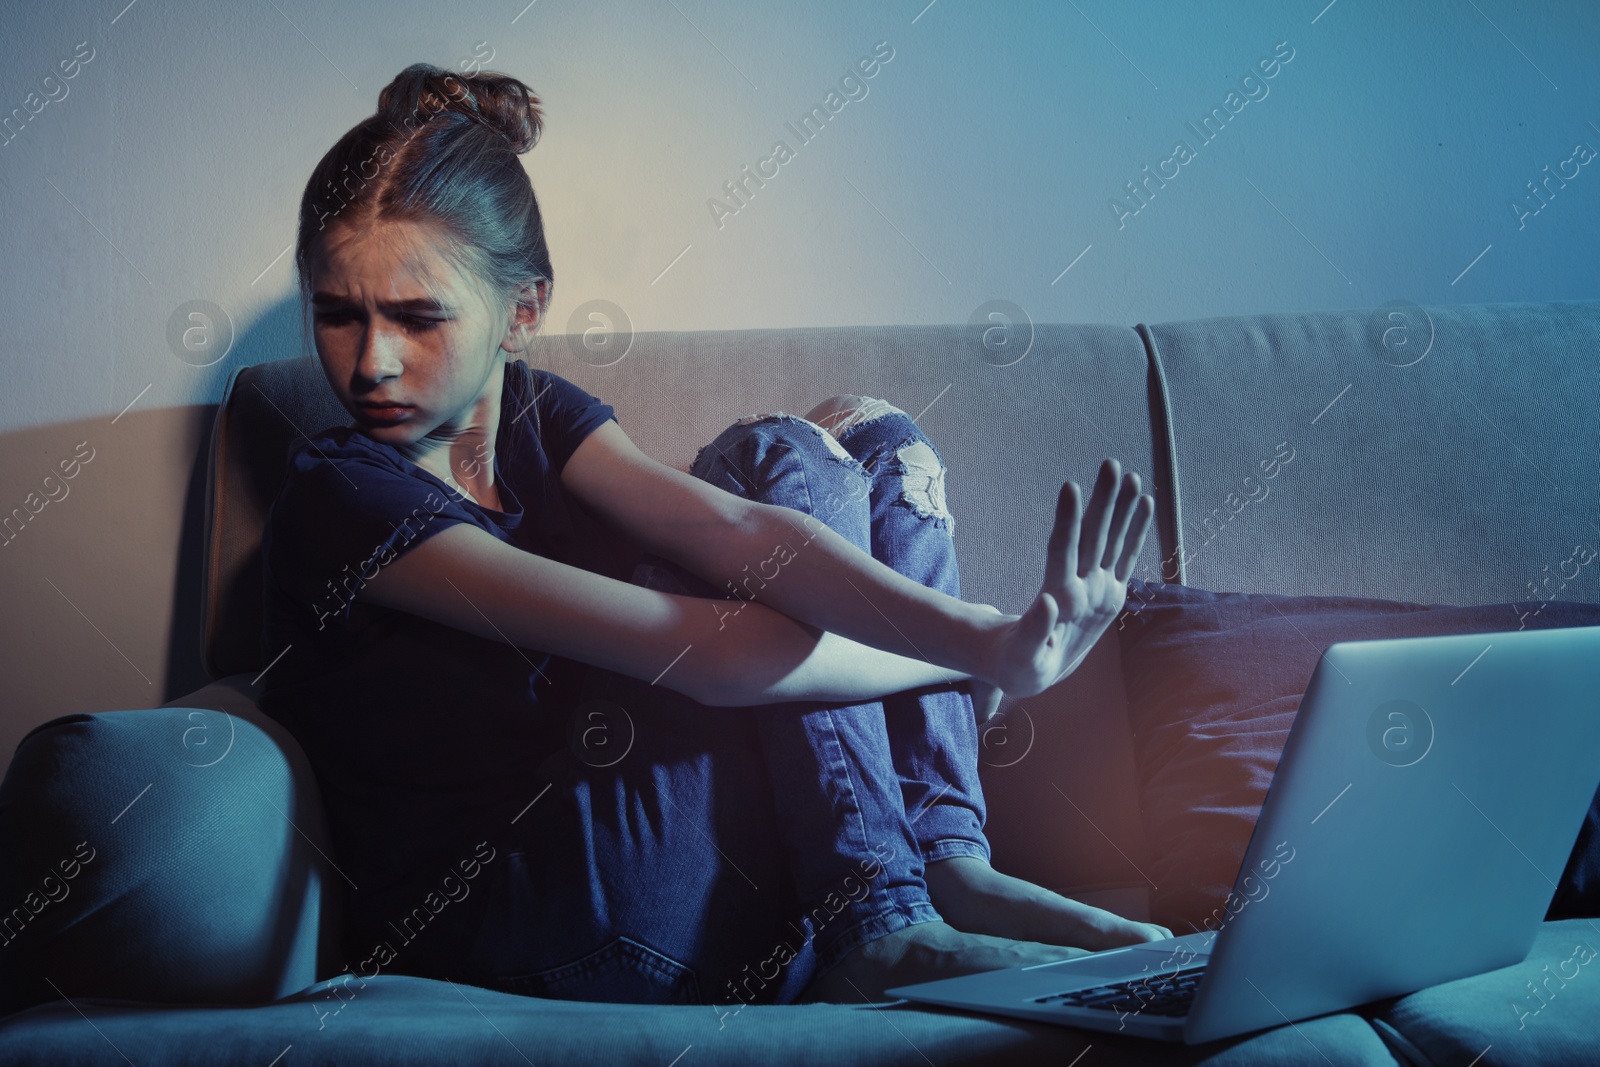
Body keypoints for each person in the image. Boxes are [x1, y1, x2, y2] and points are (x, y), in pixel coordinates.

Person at [259, 61, 1169, 1012]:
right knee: (779, 453)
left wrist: (987, 644)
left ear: (522, 312)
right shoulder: (341, 495)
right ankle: (883, 918)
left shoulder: (537, 415)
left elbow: (734, 530)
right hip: (535, 918)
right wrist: (983, 648)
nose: (372, 362)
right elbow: (711, 658)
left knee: (873, 433)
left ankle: (945, 858)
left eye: (416, 317)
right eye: (336, 314)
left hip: (682, 887)